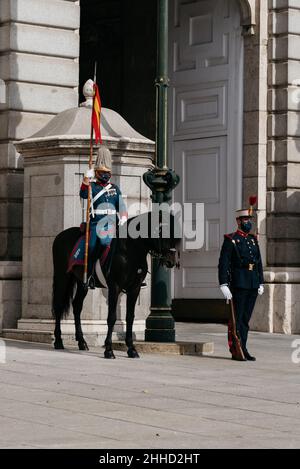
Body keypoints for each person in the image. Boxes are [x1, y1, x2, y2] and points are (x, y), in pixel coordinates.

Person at [218, 201, 264, 361]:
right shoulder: (231, 240)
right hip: (238, 284)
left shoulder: (252, 240)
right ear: (238, 221)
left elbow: (258, 262)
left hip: (252, 283)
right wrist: (223, 284)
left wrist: (261, 282)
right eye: (245, 220)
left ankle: (244, 347)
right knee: (236, 319)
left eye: (249, 220)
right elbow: (223, 264)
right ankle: (235, 348)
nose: (248, 223)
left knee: (245, 319)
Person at [80, 146, 128, 287]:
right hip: (97, 224)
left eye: (107, 172)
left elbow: (121, 206)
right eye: (102, 172)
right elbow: (83, 195)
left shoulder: (114, 188)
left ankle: (131, 275)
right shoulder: (92, 187)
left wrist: (124, 217)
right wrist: (85, 180)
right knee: (94, 246)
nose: (106, 175)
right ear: (97, 172)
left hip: (114, 223)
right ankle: (90, 276)